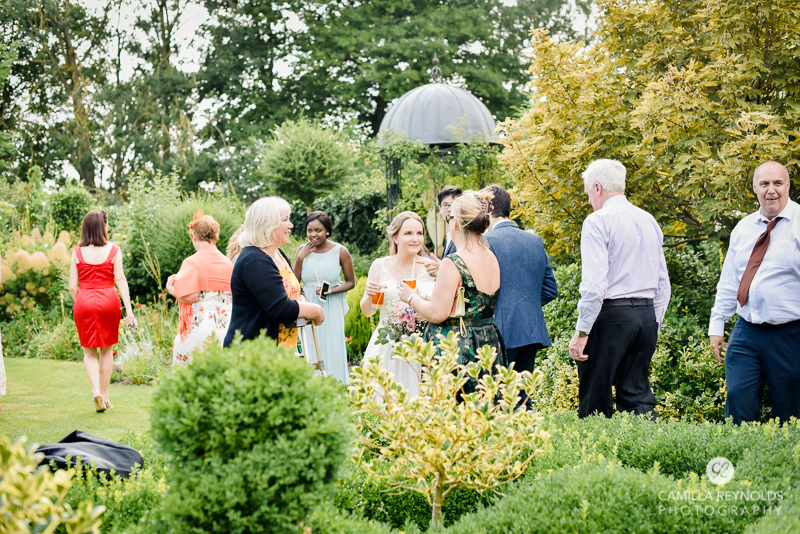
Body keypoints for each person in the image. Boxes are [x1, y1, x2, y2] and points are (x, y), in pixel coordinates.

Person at [567, 160, 670, 420]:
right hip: (645, 316)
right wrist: (652, 325)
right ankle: (650, 454)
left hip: (610, 316)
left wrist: (582, 331)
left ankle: (597, 458)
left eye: (589, 193)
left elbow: (594, 286)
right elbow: (663, 285)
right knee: (638, 398)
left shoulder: (597, 221)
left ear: (598, 188)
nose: (590, 199)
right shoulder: (649, 220)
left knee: (595, 400)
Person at [709, 161, 800, 424]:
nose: (771, 190)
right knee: (738, 398)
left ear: (788, 186)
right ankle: (741, 459)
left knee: (789, 411)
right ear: (754, 188)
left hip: (790, 334)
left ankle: (785, 464)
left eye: (777, 183)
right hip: (746, 330)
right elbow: (729, 280)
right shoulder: (744, 227)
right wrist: (717, 324)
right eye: (764, 184)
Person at [398, 191, 507, 397]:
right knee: (485, 408)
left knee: (456, 412)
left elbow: (437, 313)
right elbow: (474, 292)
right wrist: (443, 271)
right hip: (486, 341)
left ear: (455, 222)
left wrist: (410, 296)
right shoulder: (491, 256)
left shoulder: (454, 261)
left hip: (458, 345)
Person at [483, 184, 558, 397]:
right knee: (522, 397)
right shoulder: (534, 240)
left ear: (487, 208)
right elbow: (550, 289)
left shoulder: (486, 241)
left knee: (498, 397)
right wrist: (525, 303)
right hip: (531, 329)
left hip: (499, 329)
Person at [223, 197, 324, 349]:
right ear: (267, 224)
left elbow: (296, 288)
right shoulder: (254, 260)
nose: (291, 225)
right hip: (253, 351)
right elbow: (281, 309)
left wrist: (301, 304)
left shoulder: (278, 254)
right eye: (285, 220)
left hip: (279, 350)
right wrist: (316, 310)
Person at [360, 211, 436, 396]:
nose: (415, 239)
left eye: (419, 233)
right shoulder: (380, 266)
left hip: (419, 345)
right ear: (395, 237)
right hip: (386, 344)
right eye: (408, 233)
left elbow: (437, 308)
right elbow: (369, 311)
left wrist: (441, 274)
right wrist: (369, 296)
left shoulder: (430, 268)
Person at [69, 209, 137, 412]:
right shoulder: (114, 250)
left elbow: (73, 286)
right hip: (109, 300)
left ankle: (95, 391)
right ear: (103, 227)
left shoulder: (77, 252)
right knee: (107, 349)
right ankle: (105, 395)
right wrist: (129, 310)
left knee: (88, 352)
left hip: (84, 300)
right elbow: (121, 280)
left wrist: (82, 300)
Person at [293, 211, 356, 384]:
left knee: (333, 345)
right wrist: (299, 258)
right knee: (310, 346)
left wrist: (332, 291)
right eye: (309, 230)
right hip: (308, 304)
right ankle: (311, 386)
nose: (313, 234)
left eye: (318, 230)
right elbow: (293, 282)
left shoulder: (340, 251)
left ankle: (337, 385)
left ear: (327, 230)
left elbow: (351, 282)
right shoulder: (301, 251)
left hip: (331, 304)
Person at [166, 211, 234, 366]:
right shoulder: (227, 263)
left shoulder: (192, 262)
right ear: (216, 237)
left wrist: (170, 287)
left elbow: (189, 296)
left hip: (199, 328)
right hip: (226, 326)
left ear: (194, 236)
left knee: (188, 374)